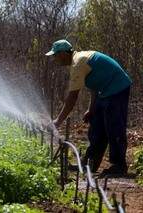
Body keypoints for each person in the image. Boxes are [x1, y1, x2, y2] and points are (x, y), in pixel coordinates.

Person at [45, 39, 132, 175]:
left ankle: (119, 166)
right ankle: (89, 164)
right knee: (96, 126)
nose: (55, 59)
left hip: (117, 89)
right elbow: (94, 85)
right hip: (104, 91)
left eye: (55, 55)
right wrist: (91, 108)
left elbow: (72, 97)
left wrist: (58, 121)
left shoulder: (78, 63)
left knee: (114, 127)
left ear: (63, 53)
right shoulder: (79, 60)